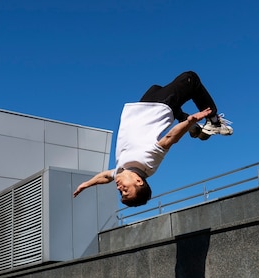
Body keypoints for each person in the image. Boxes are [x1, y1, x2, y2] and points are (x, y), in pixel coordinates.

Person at [72, 71, 233, 207]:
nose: (119, 188)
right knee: (190, 79)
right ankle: (214, 122)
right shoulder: (148, 164)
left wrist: (86, 184)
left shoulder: (122, 170)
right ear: (138, 181)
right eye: (125, 190)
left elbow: (105, 176)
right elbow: (169, 139)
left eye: (121, 192)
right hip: (159, 107)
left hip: (141, 108)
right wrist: (189, 121)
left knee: (156, 87)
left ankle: (194, 130)